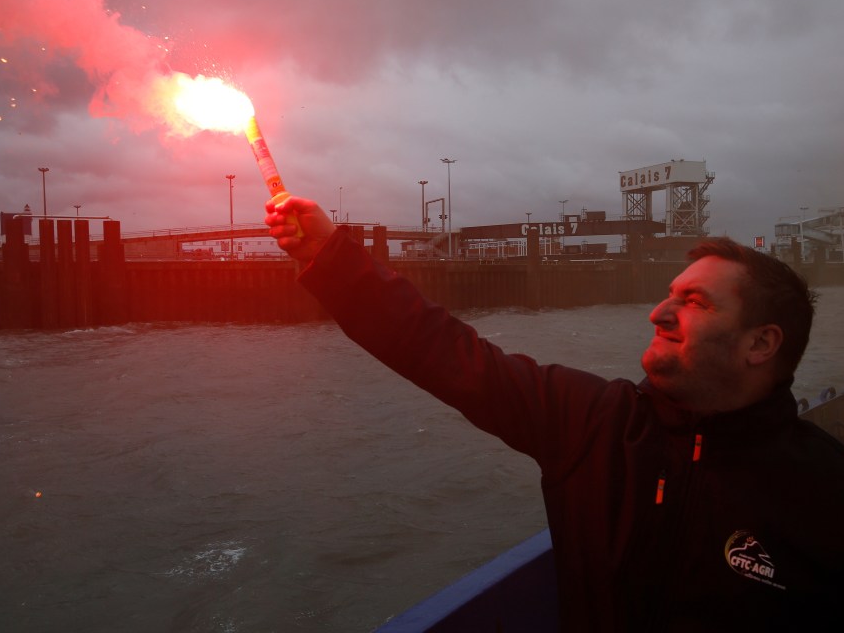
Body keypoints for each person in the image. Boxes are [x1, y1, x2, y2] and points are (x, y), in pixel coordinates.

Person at [265, 196, 844, 632]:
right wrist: (330, 259)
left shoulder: (822, 489)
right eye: (670, 293)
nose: (659, 312)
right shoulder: (594, 424)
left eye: (694, 302)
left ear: (761, 344)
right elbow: (443, 352)